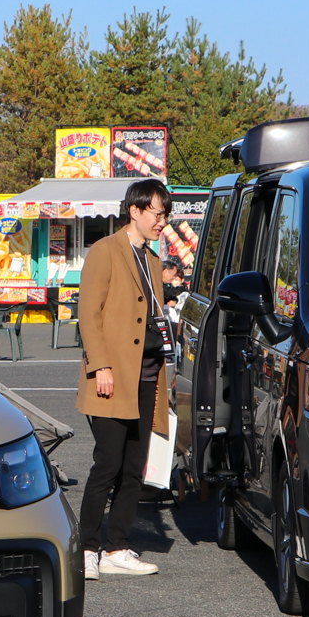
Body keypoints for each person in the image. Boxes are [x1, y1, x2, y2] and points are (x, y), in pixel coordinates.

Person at [75, 178, 173, 579]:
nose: (162, 222)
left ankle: (116, 545)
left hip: (148, 374)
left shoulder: (151, 260)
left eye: (165, 215)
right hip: (112, 376)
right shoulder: (105, 251)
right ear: (135, 210)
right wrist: (101, 366)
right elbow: (88, 313)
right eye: (158, 213)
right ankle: (86, 548)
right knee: (107, 464)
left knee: (136, 467)